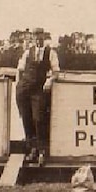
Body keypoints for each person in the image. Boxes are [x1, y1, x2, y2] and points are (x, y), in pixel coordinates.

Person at [16, 27, 60, 166]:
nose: (37, 38)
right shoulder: (28, 52)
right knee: (26, 119)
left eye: (40, 35)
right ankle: (32, 150)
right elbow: (20, 70)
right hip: (24, 89)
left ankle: (42, 151)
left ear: (43, 36)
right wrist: (18, 85)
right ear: (33, 37)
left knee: (39, 118)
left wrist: (50, 80)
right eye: (35, 35)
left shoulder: (50, 52)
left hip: (38, 90)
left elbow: (56, 72)